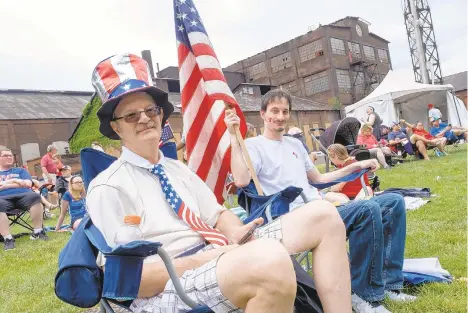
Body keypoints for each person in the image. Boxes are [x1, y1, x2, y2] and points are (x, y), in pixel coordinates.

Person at [86, 54, 351, 313]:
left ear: (161, 115)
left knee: (324, 215)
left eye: (150, 110)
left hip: (217, 254)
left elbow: (218, 214)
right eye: (131, 116)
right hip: (167, 286)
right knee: (269, 259)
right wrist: (209, 258)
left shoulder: (177, 169)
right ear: (116, 127)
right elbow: (129, 280)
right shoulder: (109, 187)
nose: (144, 118)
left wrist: (236, 232)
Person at [227, 89, 414, 313]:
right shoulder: (253, 146)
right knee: (366, 208)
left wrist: (354, 166)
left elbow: (319, 178)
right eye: (274, 111)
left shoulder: (295, 144)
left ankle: (391, 283)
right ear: (263, 114)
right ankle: (364, 296)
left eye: (285, 111)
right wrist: (232, 137)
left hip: (319, 209)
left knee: (393, 202)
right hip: (289, 219)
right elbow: (240, 180)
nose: (280, 116)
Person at [0, 147, 49, 250]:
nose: (9, 157)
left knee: (35, 196)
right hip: (3, 199)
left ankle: (38, 231)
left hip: (24, 196)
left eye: (11, 155)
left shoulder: (21, 170)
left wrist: (6, 185)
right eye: (6, 155)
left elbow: (28, 184)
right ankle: (8, 238)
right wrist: (17, 181)